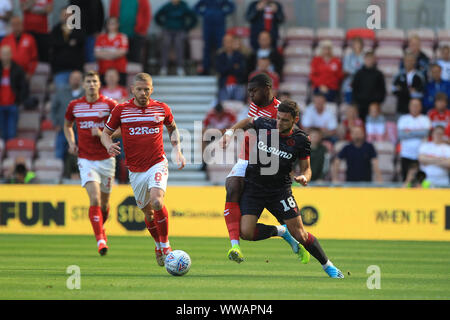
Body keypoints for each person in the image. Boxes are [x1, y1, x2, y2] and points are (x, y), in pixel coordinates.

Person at [219, 100, 345, 278]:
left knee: (300, 234)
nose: (279, 123)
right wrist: (230, 133)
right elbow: (247, 122)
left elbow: (306, 168)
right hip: (254, 186)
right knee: (246, 232)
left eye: (285, 120)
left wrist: (305, 177)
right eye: (278, 118)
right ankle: (280, 231)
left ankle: (328, 266)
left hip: (280, 191)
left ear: (295, 119)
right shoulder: (265, 124)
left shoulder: (302, 140)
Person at [101, 73, 186, 266]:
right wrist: (107, 145)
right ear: (133, 90)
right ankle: (157, 243)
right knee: (148, 214)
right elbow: (105, 134)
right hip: (135, 170)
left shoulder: (161, 108)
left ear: (152, 89)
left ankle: (165, 246)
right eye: (139, 89)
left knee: (157, 202)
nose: (143, 92)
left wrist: (178, 150)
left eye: (146, 89)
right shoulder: (121, 110)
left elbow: (173, 128)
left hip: (157, 163)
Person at [222, 73, 281, 263]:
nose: (250, 95)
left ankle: (283, 232)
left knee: (250, 226)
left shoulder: (280, 111)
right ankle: (235, 246)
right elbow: (249, 123)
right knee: (231, 187)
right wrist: (230, 132)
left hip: (264, 165)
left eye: (253, 91)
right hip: (245, 157)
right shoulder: (256, 104)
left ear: (267, 88)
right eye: (249, 91)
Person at [64, 71, 118, 256]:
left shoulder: (110, 104)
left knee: (104, 204)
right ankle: (100, 240)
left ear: (99, 84)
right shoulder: (75, 106)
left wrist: (103, 132)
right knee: (94, 198)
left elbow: (122, 127)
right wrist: (72, 143)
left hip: (107, 159)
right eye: (89, 81)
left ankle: (100, 230)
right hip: (86, 159)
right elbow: (67, 125)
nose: (92, 84)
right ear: (84, 85)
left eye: (95, 81)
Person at [155, 0, 197, 76]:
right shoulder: (167, 6)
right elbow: (157, 16)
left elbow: (193, 18)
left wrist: (187, 28)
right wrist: (163, 25)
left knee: (179, 44)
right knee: (165, 43)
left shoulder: (183, 6)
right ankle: (163, 67)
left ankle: (180, 68)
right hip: (168, 30)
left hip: (180, 30)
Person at [194, 0, 235, 75]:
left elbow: (232, 6)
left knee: (221, 47)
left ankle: (220, 68)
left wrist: (223, 13)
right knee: (207, 48)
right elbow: (196, 7)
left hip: (219, 26)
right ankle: (206, 69)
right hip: (207, 26)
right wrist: (204, 13)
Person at [50, 70, 83, 161]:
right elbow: (53, 109)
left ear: (81, 80)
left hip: (81, 131)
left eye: (78, 78)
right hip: (63, 129)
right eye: (73, 78)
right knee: (59, 154)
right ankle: (58, 173)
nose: (75, 80)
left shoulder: (86, 94)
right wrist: (55, 123)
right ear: (69, 79)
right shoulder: (61, 92)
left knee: (83, 154)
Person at [49, 7, 85, 89]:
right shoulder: (56, 30)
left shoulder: (78, 29)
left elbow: (81, 40)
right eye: (64, 15)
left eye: (69, 15)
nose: (66, 17)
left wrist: (64, 43)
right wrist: (69, 42)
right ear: (60, 16)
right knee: (62, 95)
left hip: (76, 69)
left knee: (77, 96)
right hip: (60, 70)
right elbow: (54, 44)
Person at [397, 98, 431, 181]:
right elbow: (401, 135)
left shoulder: (425, 119)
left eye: (417, 105)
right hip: (406, 154)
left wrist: (409, 132)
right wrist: (418, 132)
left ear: (420, 107)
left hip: (421, 155)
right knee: (406, 180)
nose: (415, 107)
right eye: (413, 105)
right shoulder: (403, 119)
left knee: (421, 180)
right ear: (409, 107)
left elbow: (425, 133)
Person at [0, 45, 28, 141]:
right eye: (3, 54)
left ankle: (10, 154)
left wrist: (19, 100)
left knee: (12, 132)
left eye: (7, 54)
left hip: (13, 105)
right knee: (1, 133)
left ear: (11, 55)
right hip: (0, 105)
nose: (5, 56)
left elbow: (23, 86)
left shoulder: (18, 69)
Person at [351, 51, 386, 121]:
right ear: (364, 59)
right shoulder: (358, 74)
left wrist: (377, 102)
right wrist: (357, 102)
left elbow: (382, 90)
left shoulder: (379, 74)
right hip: (361, 105)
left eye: (371, 59)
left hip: (374, 105)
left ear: (374, 60)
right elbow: (354, 89)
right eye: (367, 59)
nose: (369, 61)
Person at [1, 16, 38, 81]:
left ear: (22, 25)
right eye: (14, 25)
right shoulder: (5, 40)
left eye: (18, 24)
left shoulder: (30, 39)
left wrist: (30, 73)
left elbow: (34, 58)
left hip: (25, 74)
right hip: (9, 74)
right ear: (11, 26)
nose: (16, 27)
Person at [94, 17, 128, 87]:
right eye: (109, 23)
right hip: (103, 69)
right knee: (103, 93)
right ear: (106, 25)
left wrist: (105, 53)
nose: (111, 25)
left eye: (114, 23)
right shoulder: (101, 37)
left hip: (119, 69)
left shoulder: (122, 37)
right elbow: (97, 53)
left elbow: (122, 52)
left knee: (120, 92)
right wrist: (114, 53)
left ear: (117, 25)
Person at [216, 33, 247, 102]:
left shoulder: (240, 55)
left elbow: (241, 71)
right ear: (223, 43)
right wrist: (233, 66)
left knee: (238, 103)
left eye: (230, 41)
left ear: (233, 42)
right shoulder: (220, 56)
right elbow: (220, 71)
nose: (228, 44)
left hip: (238, 84)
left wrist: (227, 67)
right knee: (224, 105)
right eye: (226, 42)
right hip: (224, 84)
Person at [342, 37, 364, 104]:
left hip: (362, 83)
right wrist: (358, 72)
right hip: (350, 83)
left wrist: (354, 72)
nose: (356, 45)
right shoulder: (348, 56)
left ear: (361, 45)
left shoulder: (365, 56)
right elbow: (345, 69)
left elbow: (366, 69)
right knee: (349, 104)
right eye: (354, 44)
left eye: (358, 43)